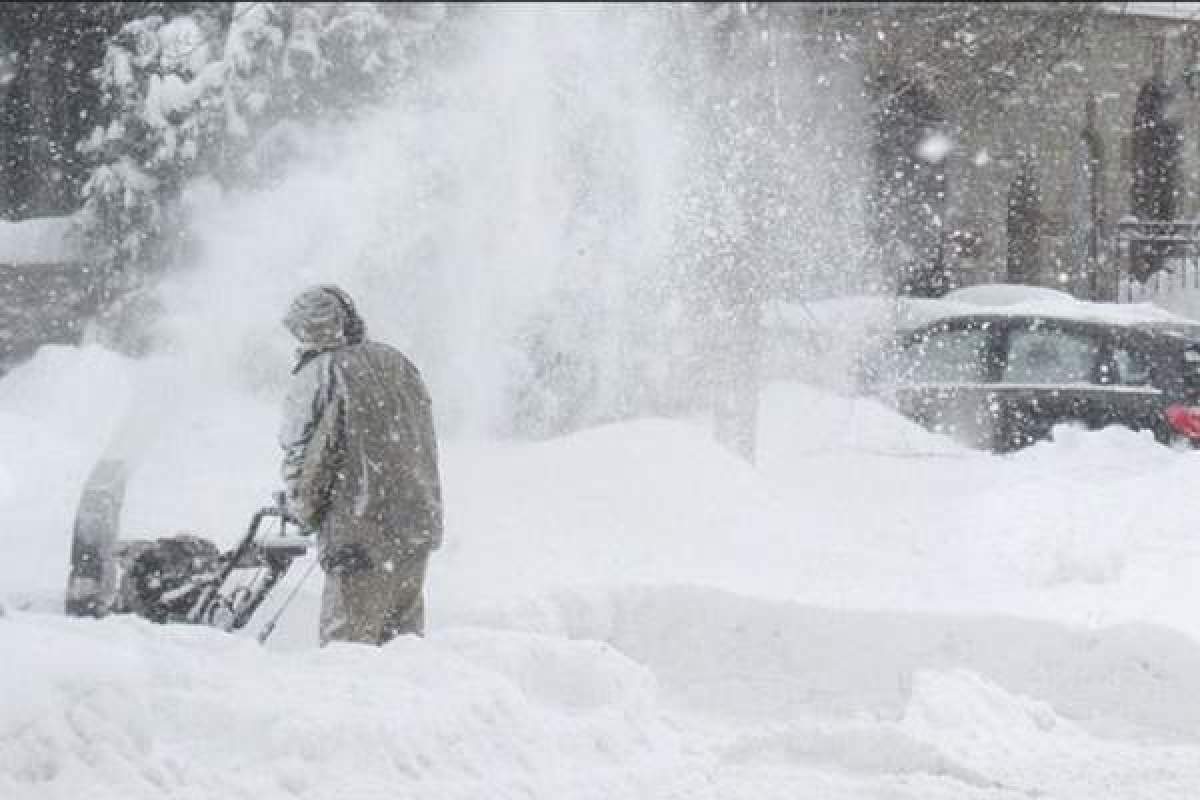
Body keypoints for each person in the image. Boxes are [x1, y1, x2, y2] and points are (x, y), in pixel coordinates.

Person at [278, 284, 443, 646]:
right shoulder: (399, 363)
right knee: (403, 647)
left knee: (348, 654)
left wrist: (302, 508)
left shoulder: (321, 372)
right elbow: (425, 444)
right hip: (415, 527)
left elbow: (306, 455)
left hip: (357, 535)